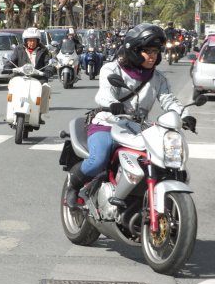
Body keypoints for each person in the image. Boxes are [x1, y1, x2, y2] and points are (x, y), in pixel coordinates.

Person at [65, 23, 197, 208]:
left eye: (155, 51)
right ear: (134, 51)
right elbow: (104, 93)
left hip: (137, 129)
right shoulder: (112, 70)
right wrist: (112, 104)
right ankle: (73, 186)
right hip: (107, 123)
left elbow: (169, 100)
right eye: (147, 51)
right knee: (99, 159)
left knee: (162, 160)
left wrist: (184, 115)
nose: (153, 55)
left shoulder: (158, 78)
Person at [7, 27, 55, 124]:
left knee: (46, 88)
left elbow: (48, 64)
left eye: (33, 40)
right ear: (25, 41)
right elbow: (12, 61)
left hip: (38, 78)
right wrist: (7, 66)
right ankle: (11, 110)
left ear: (38, 41)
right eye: (29, 41)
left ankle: (40, 113)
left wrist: (48, 71)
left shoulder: (43, 50)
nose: (31, 43)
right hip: (19, 76)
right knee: (11, 85)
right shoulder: (19, 49)